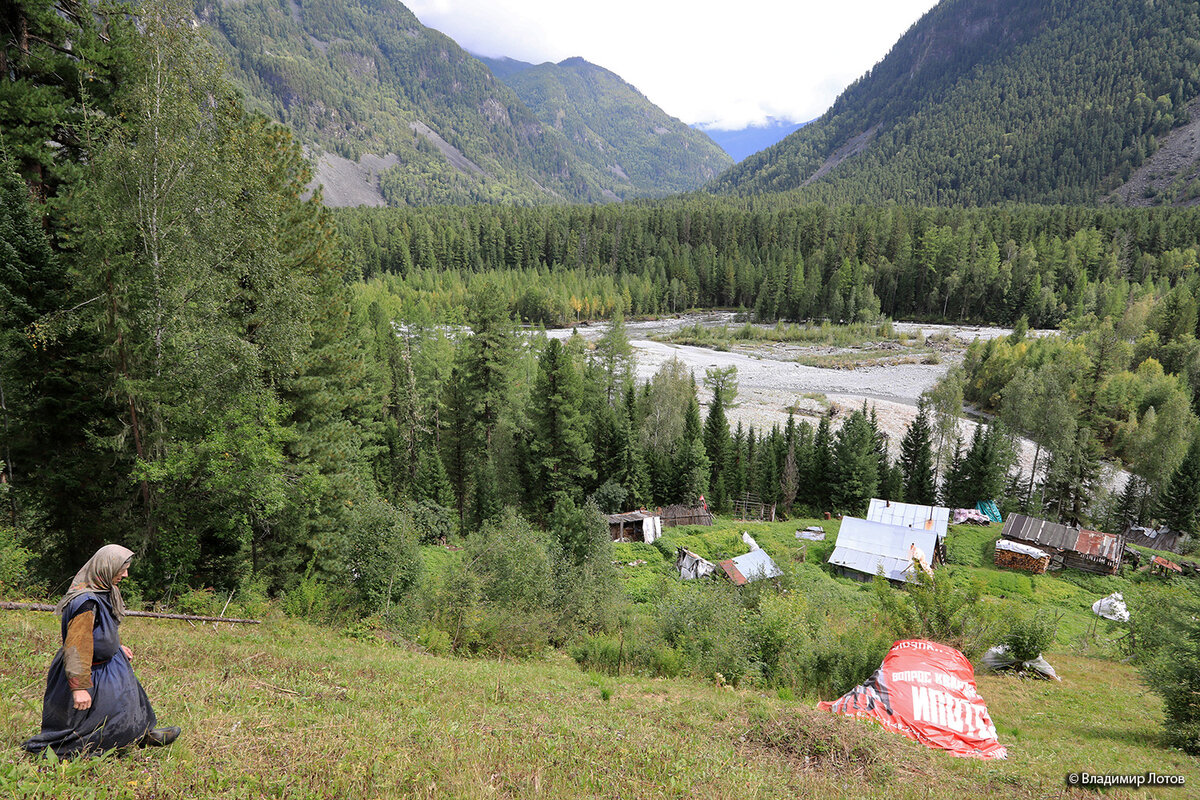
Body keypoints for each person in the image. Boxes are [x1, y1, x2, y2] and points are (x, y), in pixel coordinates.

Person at [22, 544, 180, 758]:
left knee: (130, 702)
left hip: (111, 662)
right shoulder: (85, 602)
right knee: (83, 724)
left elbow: (103, 629)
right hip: (86, 668)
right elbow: (77, 645)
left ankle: (142, 735)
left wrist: (116, 646)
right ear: (106, 567)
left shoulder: (105, 591)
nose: (125, 574)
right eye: (121, 569)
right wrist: (79, 687)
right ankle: (51, 750)